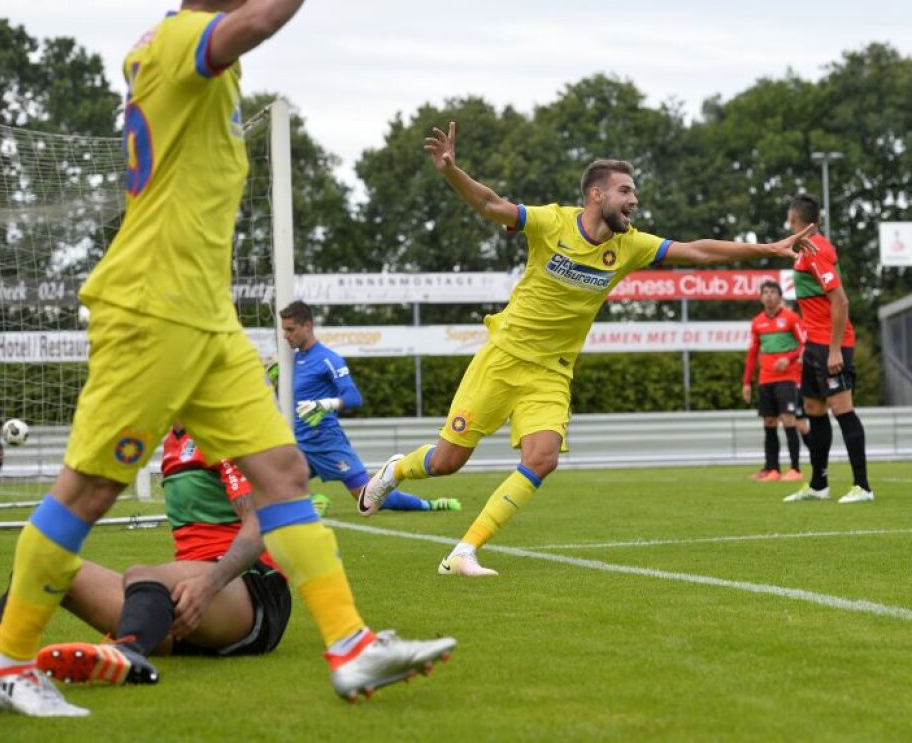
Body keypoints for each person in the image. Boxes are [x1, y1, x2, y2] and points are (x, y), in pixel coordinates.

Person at [0, 0, 454, 718]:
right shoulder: (178, 45)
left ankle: (352, 646)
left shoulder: (190, 64)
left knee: (285, 474)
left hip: (206, 316)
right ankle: (5, 661)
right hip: (154, 306)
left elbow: (242, 25)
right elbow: (256, 22)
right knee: (89, 487)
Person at [356, 121, 816, 576]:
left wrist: (769, 248)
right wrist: (451, 170)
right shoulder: (549, 222)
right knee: (445, 462)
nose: (633, 200)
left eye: (633, 192)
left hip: (551, 372)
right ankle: (395, 472)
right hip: (503, 358)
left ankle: (463, 551)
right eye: (625, 191)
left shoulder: (631, 246)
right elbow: (490, 203)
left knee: (542, 458)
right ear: (597, 195)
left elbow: (698, 252)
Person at [0, 426, 290, 684]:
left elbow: (261, 523)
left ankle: (127, 654)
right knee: (47, 563)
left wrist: (210, 583)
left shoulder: (227, 431)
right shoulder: (174, 440)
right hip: (188, 609)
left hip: (251, 593)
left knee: (142, 576)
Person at [276, 301, 462, 512]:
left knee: (369, 496)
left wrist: (325, 404)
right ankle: (313, 500)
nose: (285, 335)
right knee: (267, 478)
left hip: (325, 441)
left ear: (307, 326)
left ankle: (432, 505)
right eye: (283, 329)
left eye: (290, 329)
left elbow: (354, 397)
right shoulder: (291, 361)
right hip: (299, 442)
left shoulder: (328, 359)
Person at [781, 193, 874, 505]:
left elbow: (841, 301)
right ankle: (819, 484)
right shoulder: (806, 250)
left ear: (795, 221)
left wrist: (835, 350)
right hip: (813, 343)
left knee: (842, 410)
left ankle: (862, 486)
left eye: (788, 220)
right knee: (814, 410)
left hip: (831, 345)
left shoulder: (818, 249)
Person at [742, 281, 806, 482]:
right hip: (765, 378)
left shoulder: (791, 318)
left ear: (780, 296)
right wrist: (746, 382)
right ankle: (772, 469)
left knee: (788, 420)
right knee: (769, 421)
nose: (768, 295)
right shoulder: (757, 322)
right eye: (765, 292)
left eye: (772, 292)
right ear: (761, 297)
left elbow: (805, 342)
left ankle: (795, 469)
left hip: (788, 377)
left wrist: (790, 358)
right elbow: (752, 354)